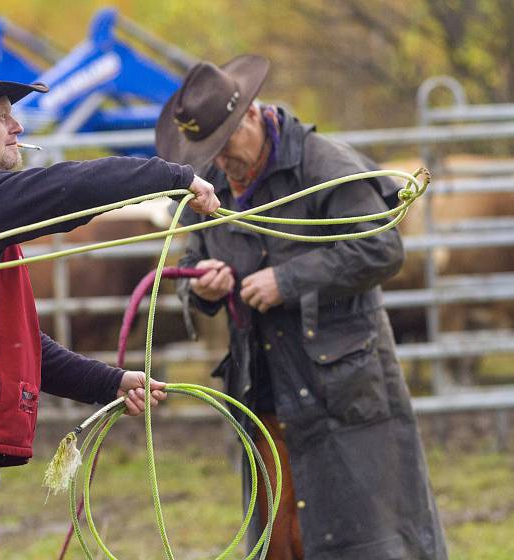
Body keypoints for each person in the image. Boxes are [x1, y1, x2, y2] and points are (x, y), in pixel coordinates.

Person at [0, 54, 219, 559]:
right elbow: (57, 192)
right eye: (1, 115)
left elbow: (12, 341)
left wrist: (106, 382)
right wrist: (167, 177)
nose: (17, 126)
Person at [156, 55, 447, 560]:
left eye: (225, 147)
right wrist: (201, 289)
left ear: (251, 115)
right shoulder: (213, 189)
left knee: (368, 539)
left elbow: (382, 249)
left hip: (343, 391)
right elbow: (191, 262)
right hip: (265, 392)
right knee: (281, 542)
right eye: (211, 153)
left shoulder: (325, 165)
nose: (221, 162)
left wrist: (289, 280)